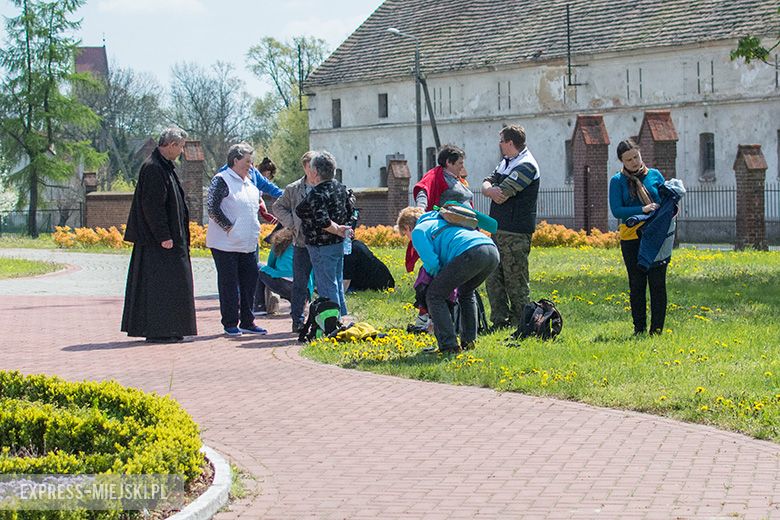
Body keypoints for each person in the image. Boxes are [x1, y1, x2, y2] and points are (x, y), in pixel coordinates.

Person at [121, 127, 197, 344]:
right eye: (181, 147)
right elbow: (152, 206)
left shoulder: (164, 167)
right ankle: (160, 329)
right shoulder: (153, 168)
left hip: (170, 240)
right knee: (160, 287)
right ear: (171, 145)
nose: (181, 151)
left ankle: (172, 327)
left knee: (174, 284)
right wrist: (164, 235)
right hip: (159, 243)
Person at [397, 207, 499, 354]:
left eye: (406, 234)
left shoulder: (419, 231)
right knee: (466, 292)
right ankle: (469, 342)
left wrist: (437, 281)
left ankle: (449, 346)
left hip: (469, 251)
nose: (408, 238)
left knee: (434, 295)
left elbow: (432, 264)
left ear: (407, 227)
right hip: (491, 251)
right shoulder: (440, 221)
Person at [407, 145, 474, 331]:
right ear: (448, 163)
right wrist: (420, 209)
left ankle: (454, 319)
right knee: (435, 275)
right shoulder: (436, 175)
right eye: (459, 163)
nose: (462, 166)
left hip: (464, 232)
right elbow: (423, 190)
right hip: (447, 232)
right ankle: (427, 318)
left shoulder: (457, 179)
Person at [206, 142, 267, 337]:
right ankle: (230, 323)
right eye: (247, 161)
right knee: (229, 284)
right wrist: (230, 228)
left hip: (248, 244)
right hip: (226, 244)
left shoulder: (249, 182)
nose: (251, 165)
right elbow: (213, 208)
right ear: (235, 160)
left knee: (250, 283)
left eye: (252, 161)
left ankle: (248, 321)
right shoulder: (222, 179)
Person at [482, 125, 540, 329]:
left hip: (516, 232)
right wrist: (489, 189)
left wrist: (491, 190)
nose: (499, 145)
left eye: (501, 141)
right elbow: (487, 183)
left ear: (510, 143)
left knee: (515, 280)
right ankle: (499, 321)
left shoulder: (527, 165)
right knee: (494, 277)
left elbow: (502, 194)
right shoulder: (506, 162)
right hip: (498, 229)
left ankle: (521, 322)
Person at [609, 139, 667, 335]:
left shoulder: (655, 175)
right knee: (637, 283)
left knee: (658, 283)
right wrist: (642, 209)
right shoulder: (617, 181)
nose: (634, 162)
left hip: (656, 236)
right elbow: (617, 210)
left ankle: (657, 329)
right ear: (621, 161)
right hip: (632, 238)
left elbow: (666, 201)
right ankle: (639, 328)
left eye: (636, 157)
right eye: (628, 160)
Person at [295, 151, 356, 317]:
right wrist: (342, 231)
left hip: (321, 245)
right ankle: (341, 315)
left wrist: (337, 229)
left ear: (315, 172)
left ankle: (332, 322)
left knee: (326, 285)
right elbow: (350, 211)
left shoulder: (317, 193)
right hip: (337, 244)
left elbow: (323, 220)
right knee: (336, 281)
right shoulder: (340, 188)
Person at [272, 151, 318, 332]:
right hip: (301, 242)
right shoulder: (294, 189)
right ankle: (297, 319)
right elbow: (278, 206)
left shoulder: (326, 185)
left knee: (324, 281)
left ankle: (325, 317)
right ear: (305, 167)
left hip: (323, 242)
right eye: (311, 166)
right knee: (300, 282)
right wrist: (292, 224)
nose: (315, 170)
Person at [217, 156, 282, 224]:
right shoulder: (226, 173)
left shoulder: (254, 173)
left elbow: (270, 187)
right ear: (236, 161)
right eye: (247, 161)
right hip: (232, 216)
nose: (250, 166)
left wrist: (289, 195)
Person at [253, 227, 295, 315]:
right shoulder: (305, 243)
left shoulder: (279, 242)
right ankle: (296, 306)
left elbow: (270, 264)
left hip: (282, 283)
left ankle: (259, 306)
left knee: (261, 268)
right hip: (304, 287)